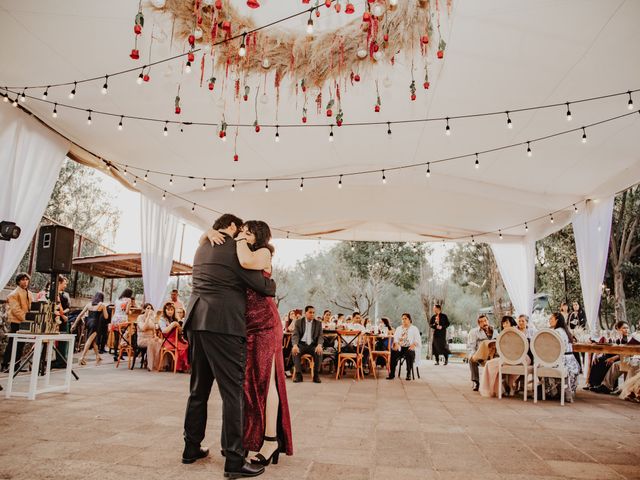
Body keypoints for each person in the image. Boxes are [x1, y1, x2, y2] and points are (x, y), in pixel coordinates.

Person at [182, 214, 276, 478]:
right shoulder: (235, 249)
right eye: (241, 229)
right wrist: (273, 282)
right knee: (232, 393)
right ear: (233, 227)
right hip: (223, 326)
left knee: (198, 390)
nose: (242, 234)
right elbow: (262, 286)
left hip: (196, 322)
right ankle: (234, 461)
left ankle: (191, 448)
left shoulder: (202, 246)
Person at [205, 220, 294, 465]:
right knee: (248, 383)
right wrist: (209, 232)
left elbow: (245, 262)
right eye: (242, 229)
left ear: (259, 235)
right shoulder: (242, 247)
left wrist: (239, 238)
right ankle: (248, 438)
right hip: (246, 324)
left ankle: (270, 440)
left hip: (265, 322)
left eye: (248, 230)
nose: (243, 233)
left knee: (267, 382)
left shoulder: (263, 252)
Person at [543, 312, 580, 402]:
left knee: (540, 366)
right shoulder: (565, 331)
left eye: (551, 319)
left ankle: (553, 391)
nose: (549, 320)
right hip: (572, 362)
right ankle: (560, 391)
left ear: (557, 320)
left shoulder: (556, 332)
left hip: (562, 361)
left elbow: (551, 349)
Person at [1, 273, 33, 372]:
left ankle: (16, 365)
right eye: (23, 279)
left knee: (21, 344)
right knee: (12, 343)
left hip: (25, 322)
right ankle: (5, 364)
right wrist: (25, 319)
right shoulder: (13, 294)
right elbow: (16, 310)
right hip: (16, 322)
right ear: (18, 281)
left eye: (26, 279)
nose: (25, 281)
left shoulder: (30, 293)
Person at [590, 321, 630, 394]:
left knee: (606, 361)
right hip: (618, 355)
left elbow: (627, 353)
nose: (626, 330)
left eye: (627, 328)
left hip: (624, 357)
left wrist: (614, 358)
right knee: (599, 359)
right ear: (618, 329)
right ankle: (594, 384)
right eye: (624, 328)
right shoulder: (618, 338)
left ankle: (606, 386)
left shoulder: (629, 339)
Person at [291, 305, 323, 383]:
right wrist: (295, 345)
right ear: (305, 313)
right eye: (310, 312)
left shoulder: (318, 323)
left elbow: (320, 336)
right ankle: (299, 375)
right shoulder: (299, 322)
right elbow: (295, 335)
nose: (312, 314)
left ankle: (316, 375)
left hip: (312, 345)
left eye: (313, 313)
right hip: (301, 344)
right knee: (295, 352)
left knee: (319, 352)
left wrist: (319, 345)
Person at [77, 292, 108, 366]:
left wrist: (74, 324)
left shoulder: (89, 304)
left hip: (88, 323)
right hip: (95, 324)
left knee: (93, 341)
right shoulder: (102, 305)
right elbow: (106, 316)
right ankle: (82, 357)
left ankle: (98, 356)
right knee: (90, 340)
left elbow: (80, 314)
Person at [387, 313, 420, 380]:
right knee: (393, 351)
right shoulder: (399, 328)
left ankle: (408, 373)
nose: (404, 320)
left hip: (409, 347)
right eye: (402, 319)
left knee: (409, 353)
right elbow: (395, 338)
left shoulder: (414, 328)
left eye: (405, 318)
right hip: (400, 347)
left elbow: (417, 339)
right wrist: (396, 344)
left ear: (409, 319)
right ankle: (392, 373)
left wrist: (413, 345)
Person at [467, 314, 496, 391]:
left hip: (492, 355)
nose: (484, 323)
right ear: (479, 324)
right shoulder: (474, 332)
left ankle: (497, 383)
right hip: (480, 355)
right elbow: (471, 347)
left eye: (485, 321)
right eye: (481, 322)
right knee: (471, 360)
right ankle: (476, 382)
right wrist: (473, 356)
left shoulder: (494, 331)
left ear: (488, 321)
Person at [159, 302, 189, 372]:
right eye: (168, 310)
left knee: (187, 345)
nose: (170, 311)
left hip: (176, 340)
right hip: (167, 341)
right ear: (165, 310)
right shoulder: (162, 319)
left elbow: (180, 332)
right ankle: (179, 367)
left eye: (171, 310)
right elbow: (164, 331)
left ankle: (183, 367)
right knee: (182, 348)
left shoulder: (174, 319)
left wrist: (179, 323)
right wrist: (173, 324)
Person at [136, 303, 162, 371]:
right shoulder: (140, 317)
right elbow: (143, 328)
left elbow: (154, 330)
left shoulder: (152, 319)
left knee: (160, 342)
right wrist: (147, 317)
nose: (149, 310)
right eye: (148, 308)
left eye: (151, 308)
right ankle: (150, 365)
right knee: (151, 343)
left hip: (151, 338)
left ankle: (158, 364)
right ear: (144, 309)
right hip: (142, 339)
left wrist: (155, 336)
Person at [111, 288, 133, 360]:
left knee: (116, 338)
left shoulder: (117, 299)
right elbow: (127, 311)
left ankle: (115, 355)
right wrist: (130, 312)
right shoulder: (128, 300)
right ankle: (120, 354)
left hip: (115, 319)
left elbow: (115, 308)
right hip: (122, 320)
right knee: (123, 337)